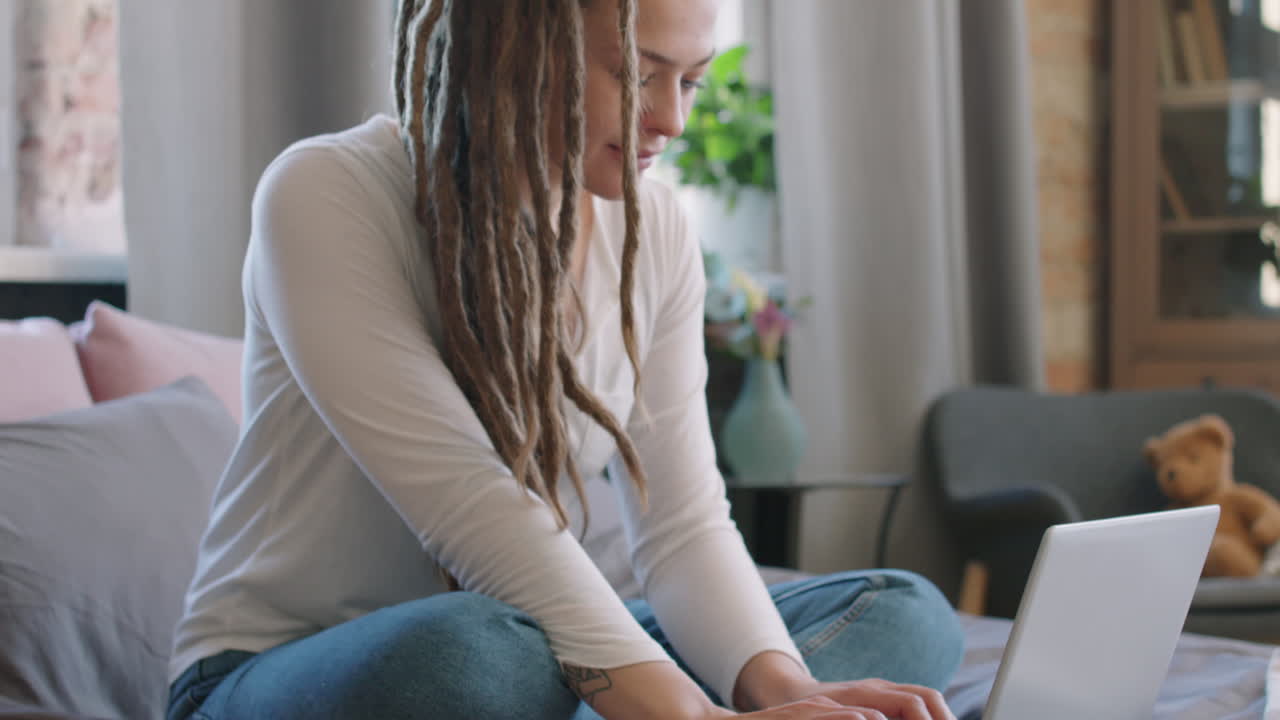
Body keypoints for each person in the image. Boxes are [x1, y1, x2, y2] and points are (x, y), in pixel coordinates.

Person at [165, 1, 965, 718]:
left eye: (689, 82)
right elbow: (473, 512)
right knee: (482, 655)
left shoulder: (657, 232)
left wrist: (791, 692)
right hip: (283, 669)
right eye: (639, 74)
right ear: (515, 41)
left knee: (903, 614)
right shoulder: (325, 193)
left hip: (534, 642)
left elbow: (682, 528)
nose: (672, 122)